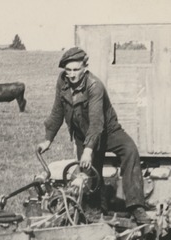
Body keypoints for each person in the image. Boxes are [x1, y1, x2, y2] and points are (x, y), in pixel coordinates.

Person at [37, 47, 149, 224]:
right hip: (83, 134)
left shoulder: (94, 86)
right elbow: (57, 111)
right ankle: (97, 210)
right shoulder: (62, 82)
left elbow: (97, 122)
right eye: (68, 70)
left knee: (129, 150)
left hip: (108, 131)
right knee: (89, 173)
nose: (72, 74)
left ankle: (136, 207)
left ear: (84, 68)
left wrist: (89, 150)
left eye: (76, 70)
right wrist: (48, 139)